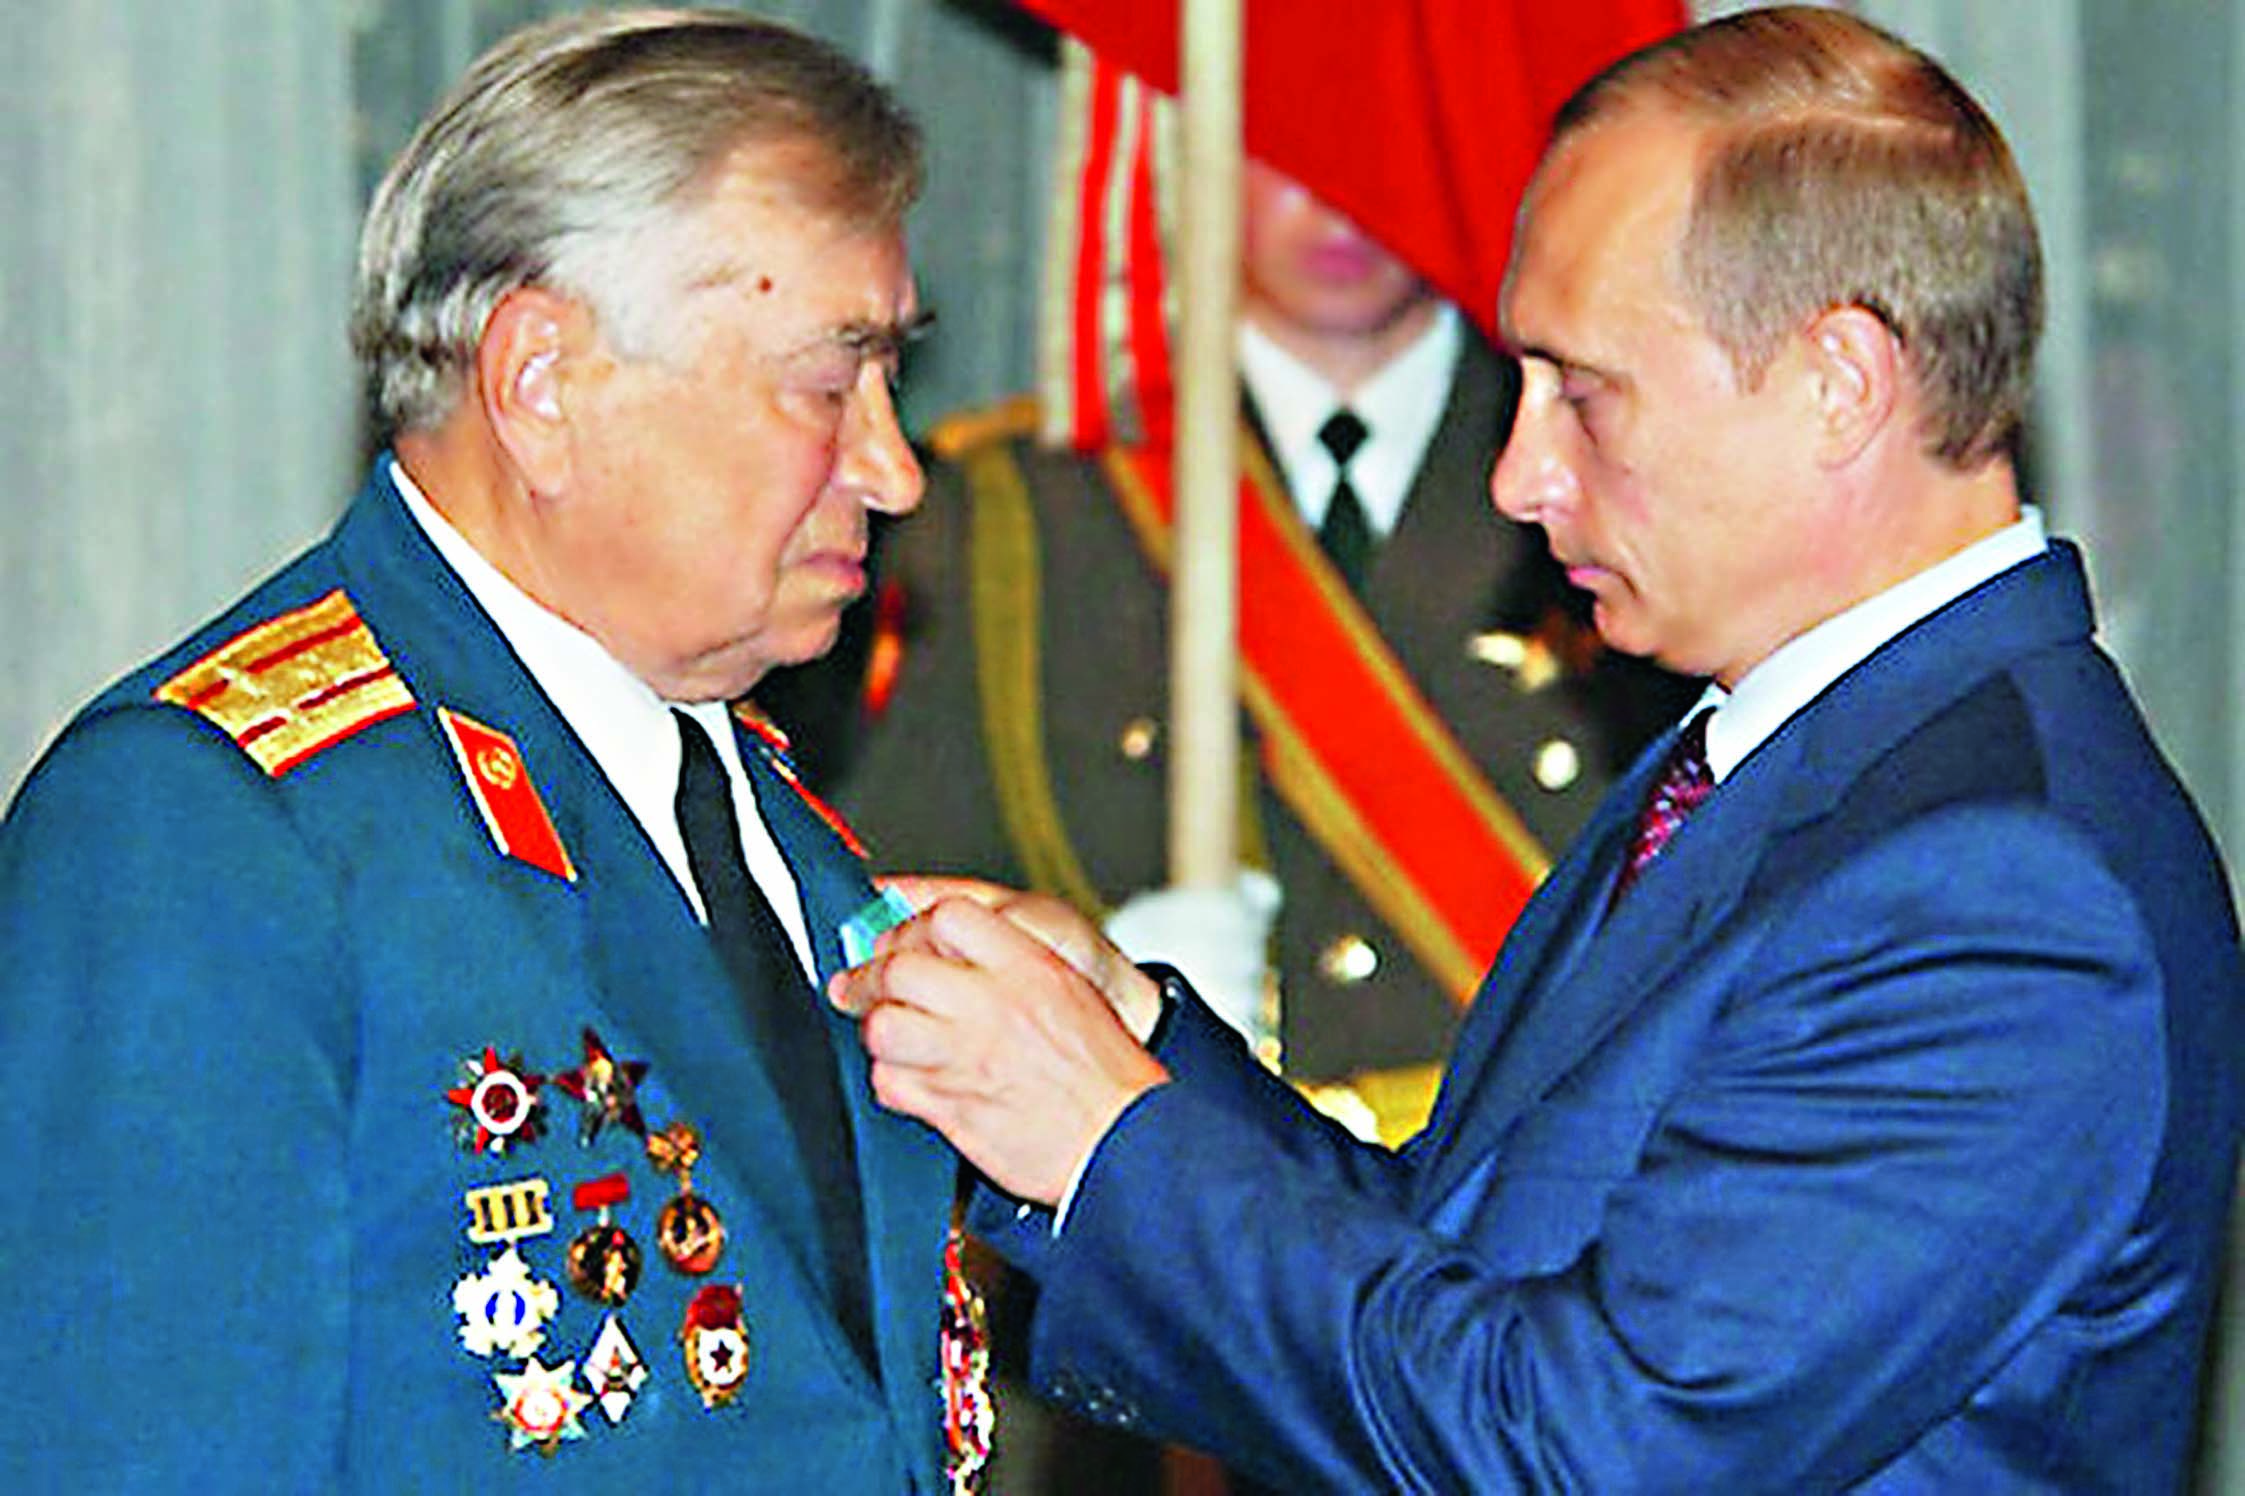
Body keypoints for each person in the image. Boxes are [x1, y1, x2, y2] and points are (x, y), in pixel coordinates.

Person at [833, 8, 2245, 1490]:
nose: (1519, 475)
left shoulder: (2002, 886)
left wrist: (1109, 1146)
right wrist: (1133, 1050)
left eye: (1581, 391)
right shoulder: (1797, 758)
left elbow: (1583, 1447)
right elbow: (1472, 1254)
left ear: (1840, 382)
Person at [0, 11, 978, 1491]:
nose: (893, 469)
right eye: (827, 384)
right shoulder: (214, 827)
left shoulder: (790, 838)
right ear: (540, 383)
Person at [808, 153, 1694, 1132]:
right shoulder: (1019, 510)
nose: (1341, 189)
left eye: (1383, 132)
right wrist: (1104, 998)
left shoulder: (1620, 473)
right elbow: (902, 905)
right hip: (1156, 1189)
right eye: (1290, 142)